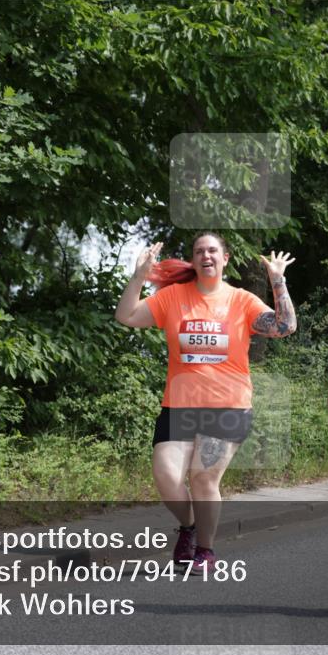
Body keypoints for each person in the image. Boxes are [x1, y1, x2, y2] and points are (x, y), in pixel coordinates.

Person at [116, 233, 296, 570]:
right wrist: (140, 276)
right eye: (199, 251)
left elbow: (285, 326)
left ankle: (205, 550)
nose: (206, 256)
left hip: (227, 408)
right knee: (167, 479)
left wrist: (277, 280)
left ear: (225, 258)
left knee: (203, 477)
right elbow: (127, 316)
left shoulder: (241, 300)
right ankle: (189, 527)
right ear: (194, 260)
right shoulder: (172, 298)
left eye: (212, 250)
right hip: (179, 407)